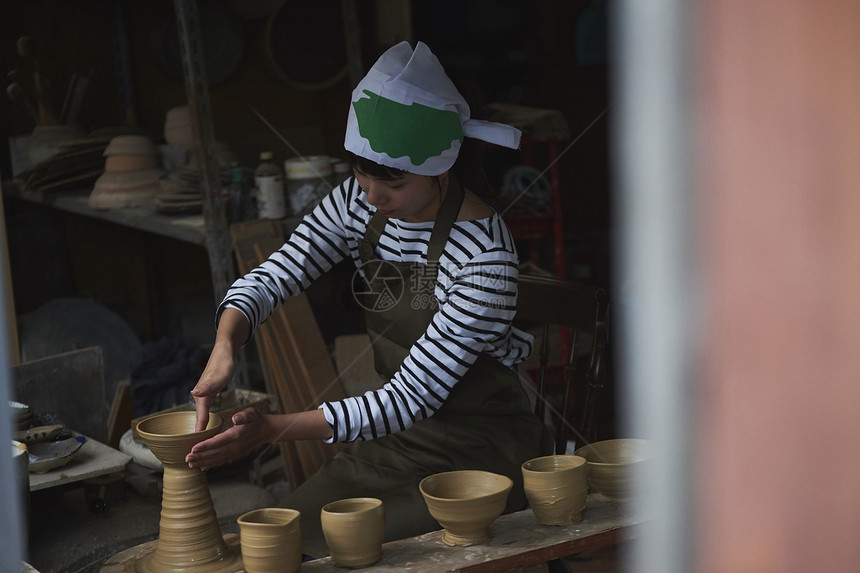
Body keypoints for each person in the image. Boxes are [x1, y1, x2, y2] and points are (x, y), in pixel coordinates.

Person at [186, 41, 554, 557]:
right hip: (392, 444)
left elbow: (412, 398)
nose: (373, 195)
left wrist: (274, 430)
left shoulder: (484, 257)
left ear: (441, 164)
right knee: (269, 539)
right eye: (361, 172)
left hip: (479, 457)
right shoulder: (359, 200)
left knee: (328, 548)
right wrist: (226, 342)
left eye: (394, 182)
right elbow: (278, 272)